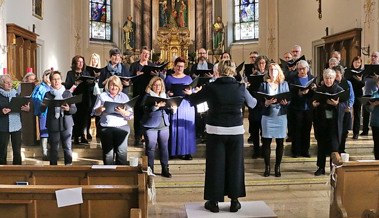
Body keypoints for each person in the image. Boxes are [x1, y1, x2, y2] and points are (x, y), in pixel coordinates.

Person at [186, 60, 257, 213]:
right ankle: (234, 201)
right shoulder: (241, 87)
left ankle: (214, 202)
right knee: (235, 165)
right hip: (235, 131)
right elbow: (252, 103)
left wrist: (192, 92)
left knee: (215, 166)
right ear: (233, 71)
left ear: (218, 72)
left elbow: (193, 100)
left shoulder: (211, 87)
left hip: (216, 131)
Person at [93, 75, 133, 165]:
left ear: (119, 87)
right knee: (108, 154)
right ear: (108, 86)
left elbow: (130, 115)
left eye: (116, 85)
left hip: (122, 127)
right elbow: (94, 112)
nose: (114, 87)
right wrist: (100, 109)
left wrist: (123, 112)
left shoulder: (124, 97)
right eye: (111, 85)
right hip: (106, 127)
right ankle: (108, 174)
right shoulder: (102, 96)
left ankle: (121, 175)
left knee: (121, 153)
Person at [141, 76, 177, 177]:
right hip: (151, 125)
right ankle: (150, 169)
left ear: (162, 87)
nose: (157, 87)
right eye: (155, 85)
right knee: (150, 148)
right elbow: (144, 109)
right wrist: (156, 106)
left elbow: (170, 110)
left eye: (159, 85)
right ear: (151, 86)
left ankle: (165, 169)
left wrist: (173, 108)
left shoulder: (165, 95)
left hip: (164, 124)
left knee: (164, 147)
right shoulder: (148, 96)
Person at [312, 68, 345, 176]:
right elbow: (313, 103)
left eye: (330, 78)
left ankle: (333, 169)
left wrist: (337, 105)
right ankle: (321, 167)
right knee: (321, 145)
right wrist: (314, 105)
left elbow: (344, 105)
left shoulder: (339, 89)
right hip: (322, 121)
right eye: (326, 78)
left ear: (334, 78)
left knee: (334, 146)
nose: (328, 80)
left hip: (334, 123)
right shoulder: (319, 90)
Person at [259, 63, 289, 177]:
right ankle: (267, 167)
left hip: (280, 115)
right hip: (268, 116)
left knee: (280, 142)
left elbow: (288, 99)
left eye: (275, 70)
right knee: (266, 141)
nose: (273, 72)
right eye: (271, 70)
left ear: (279, 71)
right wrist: (266, 103)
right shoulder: (264, 84)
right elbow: (260, 100)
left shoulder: (284, 84)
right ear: (268, 72)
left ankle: (277, 166)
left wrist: (285, 103)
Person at [42, 71, 77, 165]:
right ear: (50, 81)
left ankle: (68, 167)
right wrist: (43, 105)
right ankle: (53, 169)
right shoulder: (48, 94)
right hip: (53, 123)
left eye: (58, 79)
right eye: (54, 79)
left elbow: (74, 110)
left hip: (66, 122)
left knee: (67, 146)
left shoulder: (67, 94)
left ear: (61, 80)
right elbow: (42, 109)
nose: (56, 81)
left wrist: (68, 109)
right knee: (54, 147)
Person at [165, 57, 196, 160]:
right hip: (174, 104)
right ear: (174, 66)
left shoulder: (188, 78)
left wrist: (191, 92)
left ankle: (187, 152)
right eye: (178, 66)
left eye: (182, 66)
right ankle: (172, 152)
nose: (180, 68)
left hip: (186, 105)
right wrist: (168, 93)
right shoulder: (169, 78)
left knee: (186, 128)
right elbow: (164, 91)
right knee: (174, 128)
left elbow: (193, 90)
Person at [0, 75, 30, 165]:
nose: (10, 84)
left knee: (17, 151)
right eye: (7, 82)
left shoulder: (16, 94)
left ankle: (18, 172)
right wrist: (2, 111)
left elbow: (21, 106)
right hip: (3, 126)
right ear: (1, 84)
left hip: (16, 125)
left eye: (10, 82)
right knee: (2, 151)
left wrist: (27, 108)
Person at [129, 47, 156, 147]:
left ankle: (147, 136)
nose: (146, 55)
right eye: (144, 53)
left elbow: (156, 79)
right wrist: (136, 75)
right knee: (138, 116)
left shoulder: (152, 65)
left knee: (148, 115)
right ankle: (137, 137)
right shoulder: (134, 65)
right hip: (138, 93)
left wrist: (155, 74)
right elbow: (130, 80)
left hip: (149, 94)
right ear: (140, 54)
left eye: (147, 54)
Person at [288, 60, 315, 158]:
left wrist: (313, 89)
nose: (301, 71)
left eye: (303, 69)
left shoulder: (311, 78)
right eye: (299, 69)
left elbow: (314, 94)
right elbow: (290, 94)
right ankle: (295, 151)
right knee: (296, 130)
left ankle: (305, 150)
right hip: (296, 108)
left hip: (308, 108)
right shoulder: (292, 79)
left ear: (307, 69)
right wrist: (299, 94)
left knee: (306, 130)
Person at [65, 55, 93, 144]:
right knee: (76, 117)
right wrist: (75, 83)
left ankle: (83, 135)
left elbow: (91, 86)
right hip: (75, 97)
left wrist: (91, 82)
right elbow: (67, 85)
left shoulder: (86, 73)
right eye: (79, 62)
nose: (81, 63)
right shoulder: (70, 73)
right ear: (74, 63)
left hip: (85, 98)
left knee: (84, 118)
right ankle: (76, 136)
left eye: (82, 62)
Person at [247, 55, 269, 158]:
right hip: (255, 105)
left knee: (264, 130)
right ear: (256, 65)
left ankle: (265, 150)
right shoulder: (252, 76)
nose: (262, 65)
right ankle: (256, 150)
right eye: (260, 63)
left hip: (266, 105)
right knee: (255, 129)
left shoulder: (269, 76)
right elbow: (249, 92)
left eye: (263, 63)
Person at [31, 69, 51, 161]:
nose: (49, 78)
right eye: (47, 76)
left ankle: (53, 152)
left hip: (54, 113)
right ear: (44, 77)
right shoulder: (40, 87)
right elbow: (35, 98)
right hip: (44, 112)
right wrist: (41, 103)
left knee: (54, 133)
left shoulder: (55, 87)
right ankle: (45, 153)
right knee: (44, 132)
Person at [333, 65, 354, 154]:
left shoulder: (348, 83)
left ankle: (342, 148)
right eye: (335, 74)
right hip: (336, 110)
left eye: (337, 74)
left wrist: (349, 105)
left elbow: (352, 96)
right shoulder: (332, 83)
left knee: (344, 131)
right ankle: (335, 149)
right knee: (336, 131)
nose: (336, 76)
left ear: (341, 73)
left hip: (346, 110)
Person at [345, 56, 364, 139]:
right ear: (352, 62)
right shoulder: (348, 71)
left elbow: (363, 84)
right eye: (355, 62)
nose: (357, 64)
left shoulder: (362, 72)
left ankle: (356, 133)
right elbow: (346, 80)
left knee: (357, 113)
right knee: (347, 112)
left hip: (358, 94)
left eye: (359, 62)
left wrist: (360, 80)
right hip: (349, 94)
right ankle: (345, 131)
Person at [361, 51, 379, 136]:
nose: (373, 58)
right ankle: (365, 130)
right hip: (367, 93)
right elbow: (363, 80)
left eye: (375, 56)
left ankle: (375, 130)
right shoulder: (366, 68)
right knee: (366, 113)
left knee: (375, 113)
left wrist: (377, 80)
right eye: (372, 56)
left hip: (376, 94)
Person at [86, 53, 102, 139]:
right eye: (93, 59)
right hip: (90, 93)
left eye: (96, 59)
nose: (94, 61)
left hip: (99, 93)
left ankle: (98, 132)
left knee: (98, 111)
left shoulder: (100, 71)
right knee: (89, 112)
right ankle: (88, 132)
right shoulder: (87, 70)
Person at [367, 76, 379, 159]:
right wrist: (372, 105)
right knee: (377, 144)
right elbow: (369, 110)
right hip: (376, 122)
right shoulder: (374, 94)